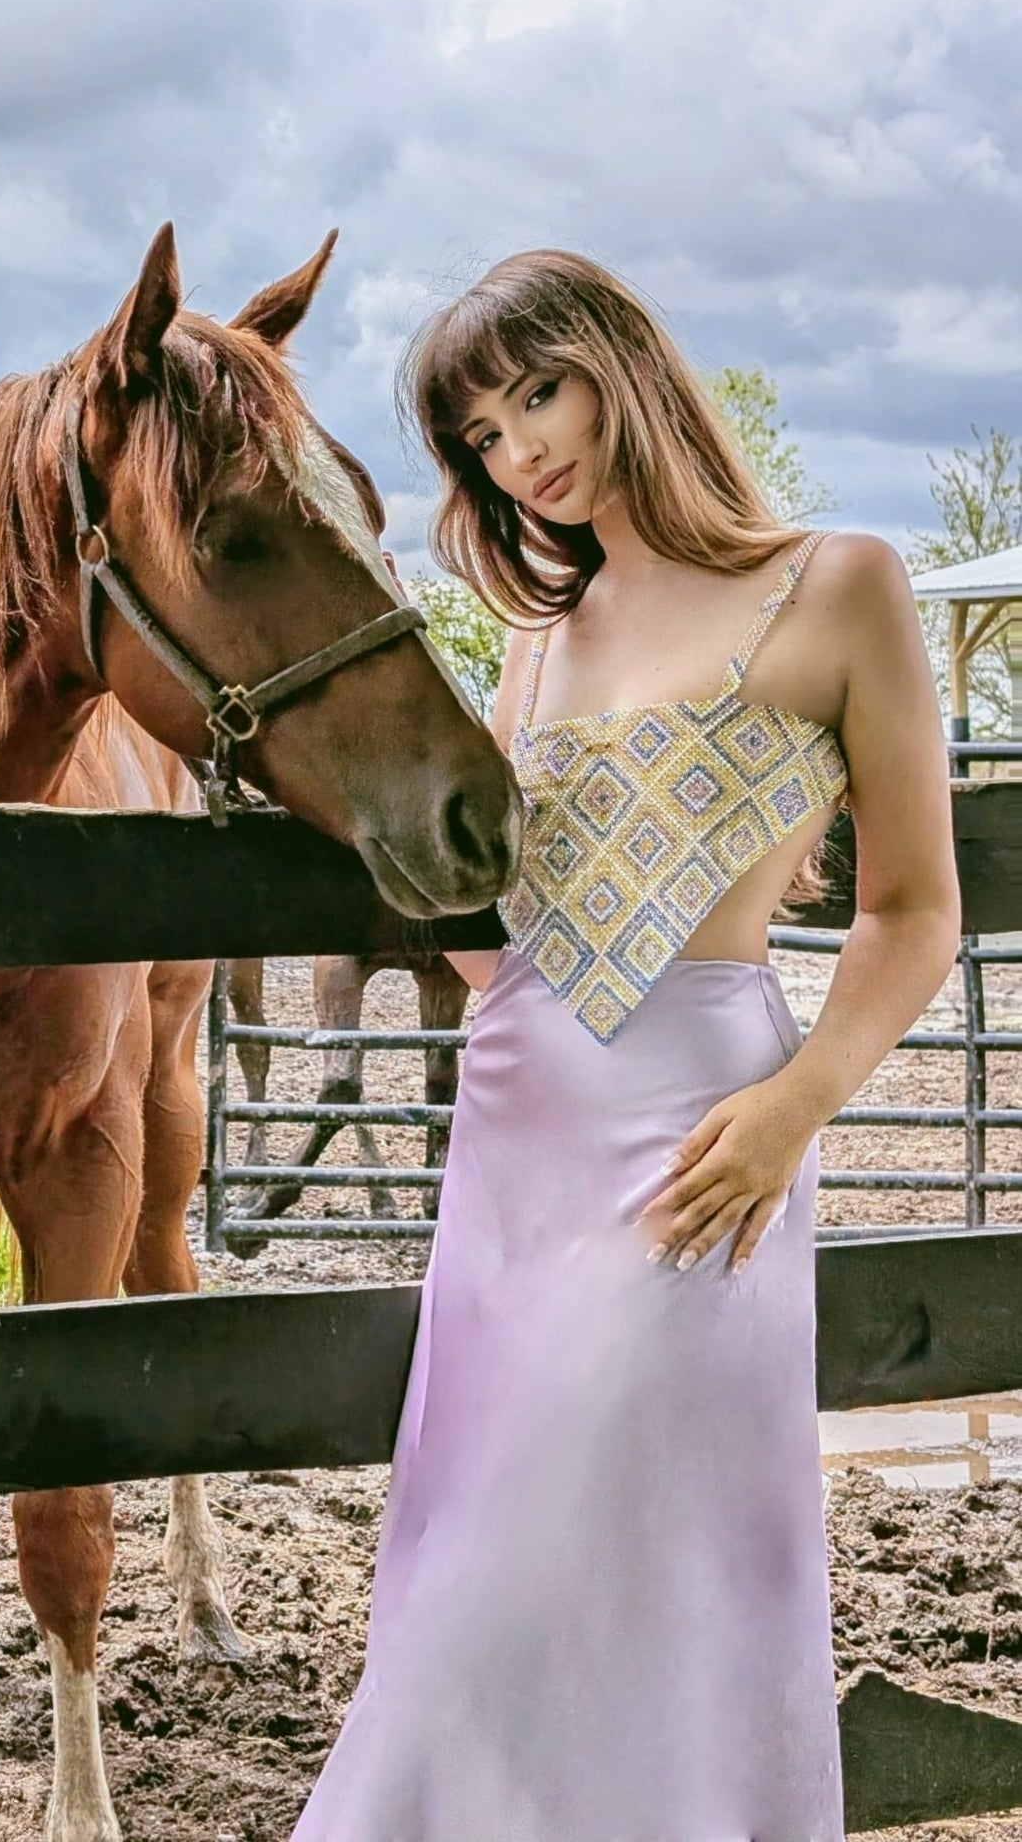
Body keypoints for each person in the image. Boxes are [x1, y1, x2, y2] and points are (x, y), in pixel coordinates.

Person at [290, 251, 960, 1840]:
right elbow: (507, 937)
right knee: (472, 1573)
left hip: (704, 1135)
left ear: (622, 369)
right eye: (482, 433)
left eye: (541, 390)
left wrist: (800, 1105)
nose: (523, 447)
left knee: (624, 1574)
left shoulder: (843, 582)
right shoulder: (540, 641)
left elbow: (914, 910)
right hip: (511, 1127)